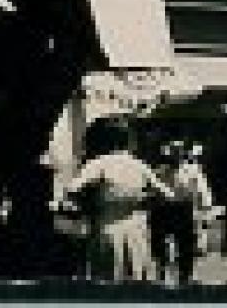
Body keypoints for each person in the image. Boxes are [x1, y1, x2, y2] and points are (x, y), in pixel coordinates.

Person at [61, 117, 173, 282]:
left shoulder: (99, 164)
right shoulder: (139, 165)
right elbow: (167, 195)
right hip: (137, 229)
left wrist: (87, 203)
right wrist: (140, 200)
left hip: (107, 228)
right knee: (135, 279)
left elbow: (72, 190)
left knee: (108, 281)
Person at [149, 142, 207, 286]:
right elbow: (153, 190)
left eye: (178, 152)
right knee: (160, 243)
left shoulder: (192, 170)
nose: (175, 155)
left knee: (186, 244)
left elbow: (200, 190)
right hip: (164, 208)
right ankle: (161, 273)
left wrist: (202, 210)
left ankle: (185, 276)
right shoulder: (160, 171)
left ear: (182, 153)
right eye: (173, 152)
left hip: (184, 209)